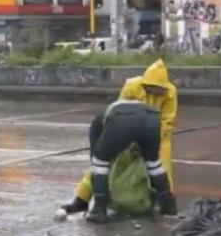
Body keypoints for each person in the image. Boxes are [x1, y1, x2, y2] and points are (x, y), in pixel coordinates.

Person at [60, 59, 178, 216]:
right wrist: (130, 143)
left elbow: (167, 121)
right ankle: (82, 199)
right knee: (103, 164)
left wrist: (149, 140)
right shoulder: (132, 86)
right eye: (151, 88)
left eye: (158, 89)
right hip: (126, 133)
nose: (154, 92)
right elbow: (121, 113)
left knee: (161, 167)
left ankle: (163, 202)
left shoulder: (170, 92)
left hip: (156, 134)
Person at [81, 99, 177, 223]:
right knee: (154, 164)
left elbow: (96, 155)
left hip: (122, 120)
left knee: (99, 164)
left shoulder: (97, 123)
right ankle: (169, 206)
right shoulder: (121, 107)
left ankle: (99, 211)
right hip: (152, 119)